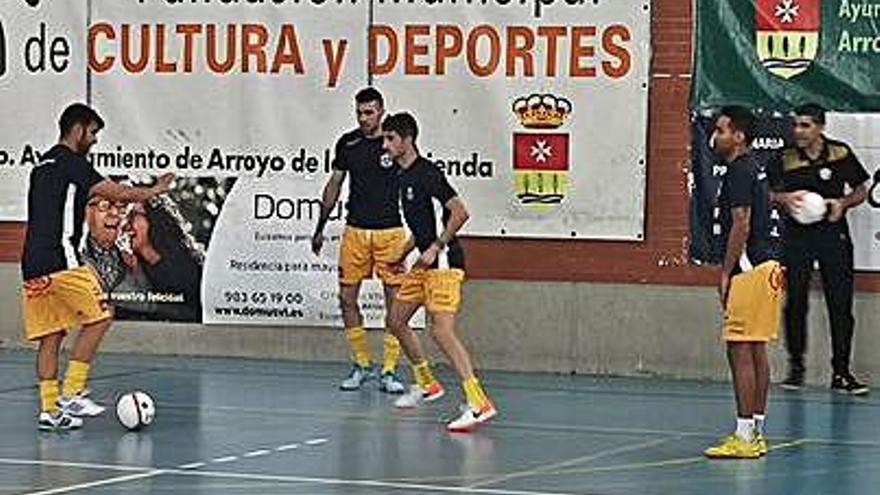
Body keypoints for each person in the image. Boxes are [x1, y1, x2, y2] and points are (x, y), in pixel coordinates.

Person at [21, 103, 172, 431]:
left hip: (32, 262)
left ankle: (50, 410)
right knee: (103, 314)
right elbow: (116, 191)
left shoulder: (42, 165)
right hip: (59, 258)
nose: (93, 140)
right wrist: (154, 190)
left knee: (52, 336)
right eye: (92, 133)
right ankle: (73, 391)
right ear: (77, 130)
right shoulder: (69, 162)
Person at [381, 112, 497, 433]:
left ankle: (478, 402)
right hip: (423, 264)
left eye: (391, 138)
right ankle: (427, 383)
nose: (386, 144)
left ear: (407, 140)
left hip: (444, 263)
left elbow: (460, 212)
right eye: (385, 139)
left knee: (441, 331)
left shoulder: (428, 174)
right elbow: (421, 227)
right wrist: (402, 254)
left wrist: (436, 246)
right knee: (395, 320)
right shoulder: (402, 178)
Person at [768, 103, 870, 394]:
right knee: (796, 301)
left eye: (806, 126)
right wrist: (785, 199)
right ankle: (796, 368)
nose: (799, 131)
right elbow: (768, 192)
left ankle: (841, 373)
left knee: (840, 304)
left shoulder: (840, 152)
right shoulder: (784, 157)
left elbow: (861, 189)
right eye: (796, 125)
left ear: (820, 127)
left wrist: (843, 203)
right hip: (798, 237)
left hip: (832, 234)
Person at [312, 88, 406, 393]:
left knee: (395, 303)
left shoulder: (394, 142)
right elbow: (335, 185)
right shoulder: (348, 143)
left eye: (369, 112)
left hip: (390, 231)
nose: (364, 118)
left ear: (381, 110)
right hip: (355, 231)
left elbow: (415, 179)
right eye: (359, 113)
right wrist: (320, 225)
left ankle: (390, 370)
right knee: (346, 298)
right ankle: (362, 363)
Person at [704, 106, 782, 459]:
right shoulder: (755, 168)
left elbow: (742, 223)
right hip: (769, 267)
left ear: (738, 135)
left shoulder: (738, 169)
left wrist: (726, 271)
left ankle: (745, 436)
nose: (715, 136)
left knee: (740, 350)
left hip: (749, 269)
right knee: (756, 349)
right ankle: (756, 430)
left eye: (721, 130)